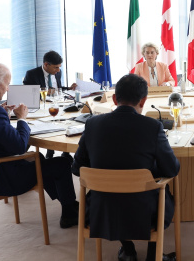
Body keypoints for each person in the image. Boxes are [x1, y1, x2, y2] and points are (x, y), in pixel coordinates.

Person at [0, 62, 78, 229]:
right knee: (62, 163)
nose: (8, 89)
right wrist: (21, 119)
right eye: (7, 84)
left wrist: (4, 116)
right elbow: (19, 146)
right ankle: (70, 211)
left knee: (40, 159)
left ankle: (69, 205)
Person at [72, 74, 179, 261]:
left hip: (101, 210)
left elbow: (77, 168)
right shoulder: (153, 127)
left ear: (114, 99)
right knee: (162, 190)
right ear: (143, 101)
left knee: (116, 191)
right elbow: (172, 169)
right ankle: (154, 255)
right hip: (145, 213)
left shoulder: (92, 124)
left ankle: (128, 250)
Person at [24, 50, 75, 160]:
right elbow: (28, 94)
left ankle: (65, 152)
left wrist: (69, 88)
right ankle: (50, 151)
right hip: (41, 108)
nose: (58, 70)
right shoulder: (32, 74)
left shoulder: (57, 73)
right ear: (46, 64)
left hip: (57, 104)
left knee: (67, 120)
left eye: (59, 67)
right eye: (56, 67)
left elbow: (58, 89)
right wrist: (46, 92)